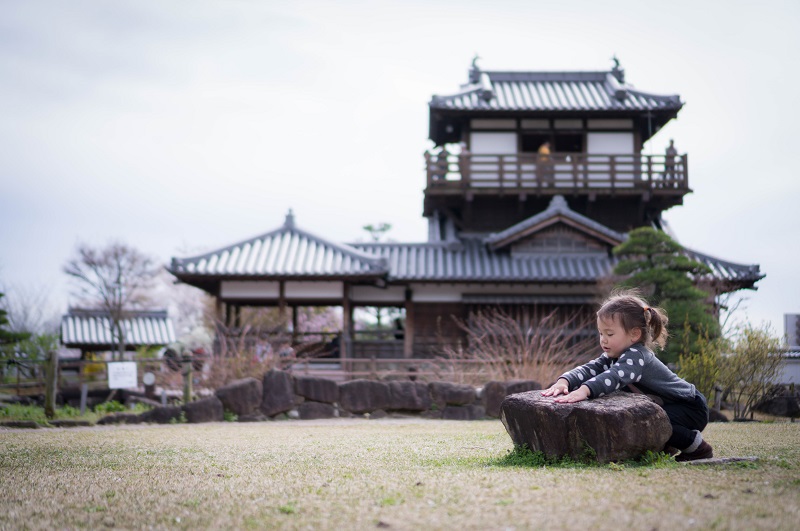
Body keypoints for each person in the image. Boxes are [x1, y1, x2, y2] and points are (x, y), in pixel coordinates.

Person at [542, 291, 713, 462]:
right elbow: (590, 368)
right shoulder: (612, 357)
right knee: (646, 421)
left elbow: (615, 376)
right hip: (670, 406)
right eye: (601, 333)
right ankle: (667, 445)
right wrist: (564, 381)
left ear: (634, 334)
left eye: (610, 334)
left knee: (653, 422)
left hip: (690, 406)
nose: (603, 340)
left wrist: (586, 390)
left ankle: (697, 447)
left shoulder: (637, 356)